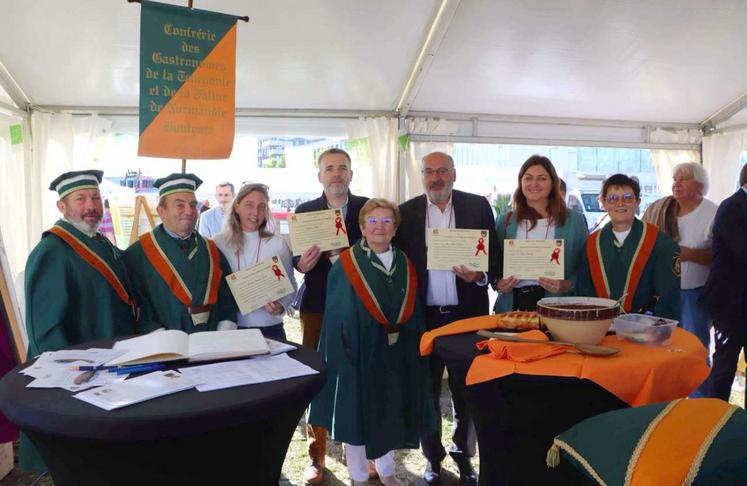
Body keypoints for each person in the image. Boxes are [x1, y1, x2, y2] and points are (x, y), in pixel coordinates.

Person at [309, 198, 433, 486]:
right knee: (357, 415)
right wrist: (347, 354)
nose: (380, 227)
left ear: (395, 228)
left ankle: (387, 470)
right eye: (373, 221)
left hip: (394, 351)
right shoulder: (347, 264)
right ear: (362, 227)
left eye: (387, 221)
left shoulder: (404, 262)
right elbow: (337, 316)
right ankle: (359, 476)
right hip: (359, 353)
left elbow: (412, 308)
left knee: (389, 408)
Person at [22, 169, 138, 472]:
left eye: (96, 197)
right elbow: (44, 328)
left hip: (111, 357)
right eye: (81, 199)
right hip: (82, 370)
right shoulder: (53, 250)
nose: (91, 206)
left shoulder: (101, 242)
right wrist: (74, 371)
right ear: (63, 207)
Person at [394, 151, 499, 486]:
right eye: (429, 172)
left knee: (466, 390)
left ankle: (463, 455)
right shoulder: (406, 213)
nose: (436, 178)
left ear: (454, 174)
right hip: (423, 319)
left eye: (442, 171)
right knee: (426, 392)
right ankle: (433, 459)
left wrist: (479, 277)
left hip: (466, 317)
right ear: (421, 176)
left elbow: (493, 257)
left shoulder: (477, 207)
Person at [293, 147, 369, 485]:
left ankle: (362, 451)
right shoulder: (305, 212)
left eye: (342, 168)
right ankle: (316, 457)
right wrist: (302, 264)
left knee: (361, 377)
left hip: (360, 307)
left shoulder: (369, 209)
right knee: (316, 379)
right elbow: (297, 262)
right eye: (329, 169)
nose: (336, 174)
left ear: (351, 175)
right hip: (318, 307)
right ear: (319, 175)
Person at [124, 173, 237, 333]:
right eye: (179, 205)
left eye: (192, 205)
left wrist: (223, 332)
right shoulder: (137, 255)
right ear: (161, 211)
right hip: (164, 349)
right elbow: (137, 309)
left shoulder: (212, 250)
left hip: (213, 346)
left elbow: (228, 297)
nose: (189, 211)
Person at [643, 162, 717, 396]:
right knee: (662, 349)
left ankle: (700, 402)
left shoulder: (713, 213)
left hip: (695, 294)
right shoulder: (660, 208)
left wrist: (689, 254)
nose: (676, 183)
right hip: (662, 293)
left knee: (694, 350)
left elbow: (722, 256)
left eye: (683, 179)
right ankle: (665, 398)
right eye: (675, 179)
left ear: (700, 185)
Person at [578, 174, 680, 319]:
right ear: (604, 203)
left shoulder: (660, 243)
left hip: (644, 328)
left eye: (627, 198)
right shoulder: (591, 244)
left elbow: (669, 296)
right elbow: (584, 291)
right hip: (599, 328)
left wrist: (655, 329)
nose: (620, 204)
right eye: (613, 198)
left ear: (637, 202)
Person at [495, 156, 588, 312]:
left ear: (553, 183)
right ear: (521, 183)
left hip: (558, 306)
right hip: (513, 305)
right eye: (528, 178)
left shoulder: (574, 221)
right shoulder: (505, 221)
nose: (534, 184)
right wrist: (498, 283)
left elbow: (586, 266)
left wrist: (567, 284)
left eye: (542, 178)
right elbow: (494, 263)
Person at [214, 183, 296, 340]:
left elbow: (291, 284)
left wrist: (281, 306)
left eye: (261, 207)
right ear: (237, 207)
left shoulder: (277, 243)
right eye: (249, 205)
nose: (255, 212)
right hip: (232, 329)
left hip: (270, 328)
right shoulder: (218, 242)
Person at [703, 164, 747, 405]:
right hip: (730, 303)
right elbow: (741, 251)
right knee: (725, 364)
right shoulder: (733, 207)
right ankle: (714, 416)